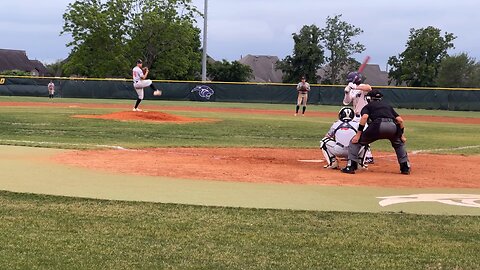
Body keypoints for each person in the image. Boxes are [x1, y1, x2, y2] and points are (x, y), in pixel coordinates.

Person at [341, 89, 411, 175]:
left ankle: (350, 166)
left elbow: (364, 118)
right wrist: (401, 136)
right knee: (399, 144)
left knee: (355, 143)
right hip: (392, 127)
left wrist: (358, 135)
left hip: (377, 126)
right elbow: (400, 120)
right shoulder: (388, 106)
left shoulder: (368, 106)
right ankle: (405, 167)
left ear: (369, 98)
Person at [343, 71, 375, 164]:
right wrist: (347, 92)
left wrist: (355, 87)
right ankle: (353, 154)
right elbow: (346, 102)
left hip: (364, 116)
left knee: (364, 135)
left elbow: (369, 88)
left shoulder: (363, 87)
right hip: (354, 117)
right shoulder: (352, 89)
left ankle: (369, 156)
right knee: (352, 134)